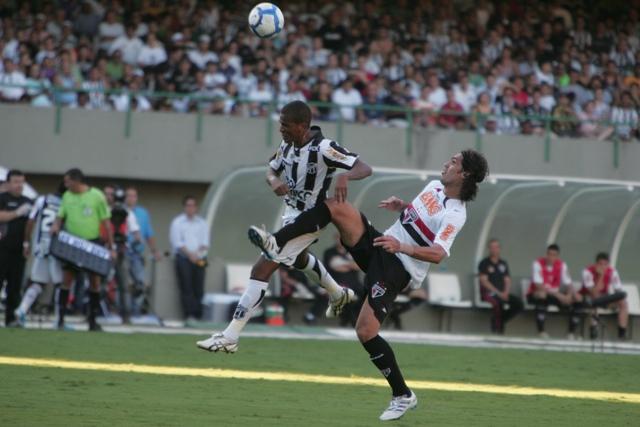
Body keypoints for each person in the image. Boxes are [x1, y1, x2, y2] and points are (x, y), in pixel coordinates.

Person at [247, 150, 489, 421]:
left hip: (398, 268)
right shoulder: (433, 186)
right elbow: (421, 217)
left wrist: (402, 246)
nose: (446, 163)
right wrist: (403, 207)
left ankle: (403, 395)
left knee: (365, 331)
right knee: (336, 206)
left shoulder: (457, 214)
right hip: (381, 244)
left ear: (464, 174)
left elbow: (438, 253)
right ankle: (276, 242)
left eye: (454, 162)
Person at [197, 100, 372, 351]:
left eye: (286, 125)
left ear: (302, 126)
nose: (281, 129)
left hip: (311, 219)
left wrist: (345, 175)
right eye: (280, 124)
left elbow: (364, 168)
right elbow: (271, 169)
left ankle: (230, 336)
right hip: (289, 215)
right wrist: (273, 181)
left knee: (261, 269)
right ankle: (337, 293)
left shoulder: (324, 148)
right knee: (300, 260)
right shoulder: (287, 145)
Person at [51, 168, 115, 331]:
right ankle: (61, 320)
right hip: (72, 243)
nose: (65, 184)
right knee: (67, 280)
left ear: (76, 181)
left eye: (67, 181)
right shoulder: (67, 196)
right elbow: (60, 216)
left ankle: (92, 321)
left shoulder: (97, 196)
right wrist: (56, 225)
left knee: (94, 282)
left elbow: (106, 223)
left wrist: (111, 246)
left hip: (92, 243)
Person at [14, 181, 66, 326]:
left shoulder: (43, 200)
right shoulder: (67, 203)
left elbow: (31, 221)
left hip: (41, 247)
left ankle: (21, 311)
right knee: (61, 284)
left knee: (38, 283)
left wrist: (27, 242)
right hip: (58, 249)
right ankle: (59, 320)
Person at [0, 169, 33, 326]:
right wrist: (17, 213)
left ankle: (11, 319)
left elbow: (30, 225)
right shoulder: (2, 198)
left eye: (21, 182)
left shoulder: (28, 201)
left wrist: (27, 243)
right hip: (2, 248)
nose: (19, 185)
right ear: (8, 183)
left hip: (19, 250)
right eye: (16, 182)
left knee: (14, 287)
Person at [169, 195, 210, 321]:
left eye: (193, 205)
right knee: (186, 287)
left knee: (199, 287)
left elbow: (205, 243)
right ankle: (189, 315)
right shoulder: (177, 222)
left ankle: (198, 315)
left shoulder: (202, 223)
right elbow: (177, 243)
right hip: (183, 258)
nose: (191, 208)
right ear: (184, 207)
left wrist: (196, 255)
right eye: (188, 205)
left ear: (196, 207)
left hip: (200, 258)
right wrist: (190, 255)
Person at [527, 244, 580, 339]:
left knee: (575, 300)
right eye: (549, 254)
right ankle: (541, 331)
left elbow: (568, 283)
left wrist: (569, 295)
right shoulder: (537, 263)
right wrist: (559, 295)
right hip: (535, 294)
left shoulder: (562, 265)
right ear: (546, 254)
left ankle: (571, 333)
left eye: (554, 255)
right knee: (542, 295)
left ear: (557, 256)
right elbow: (539, 286)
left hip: (554, 296)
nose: (551, 257)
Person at [125, 186, 161, 315]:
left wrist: (154, 250)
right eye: (129, 195)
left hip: (136, 254)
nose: (131, 198)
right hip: (122, 253)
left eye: (134, 196)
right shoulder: (120, 211)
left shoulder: (143, 213)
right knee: (124, 283)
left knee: (140, 283)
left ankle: (136, 311)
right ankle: (125, 311)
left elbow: (148, 234)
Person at [478, 238, 523, 334]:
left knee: (518, 304)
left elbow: (507, 280)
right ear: (489, 249)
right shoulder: (484, 263)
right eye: (492, 247)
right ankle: (498, 330)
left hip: (502, 293)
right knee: (498, 303)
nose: (494, 249)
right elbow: (484, 281)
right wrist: (499, 293)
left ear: (499, 249)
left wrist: (506, 292)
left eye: (496, 247)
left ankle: (500, 322)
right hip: (489, 294)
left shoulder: (503, 263)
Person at [580, 252, 629, 340]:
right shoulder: (587, 271)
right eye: (600, 264)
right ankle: (593, 331)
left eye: (605, 264)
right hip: (589, 298)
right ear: (596, 264)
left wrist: (616, 298)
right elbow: (594, 292)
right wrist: (601, 275)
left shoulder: (612, 272)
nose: (603, 267)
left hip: (604, 298)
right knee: (592, 301)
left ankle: (622, 333)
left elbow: (618, 290)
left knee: (623, 302)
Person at [324, 233, 364, 327]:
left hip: (355, 284)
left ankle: (351, 319)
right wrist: (350, 265)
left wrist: (343, 264)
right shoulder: (329, 252)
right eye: (338, 238)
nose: (340, 240)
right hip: (338, 283)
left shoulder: (353, 251)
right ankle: (349, 320)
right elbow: (334, 266)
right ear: (335, 239)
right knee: (346, 298)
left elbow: (358, 266)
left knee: (366, 296)